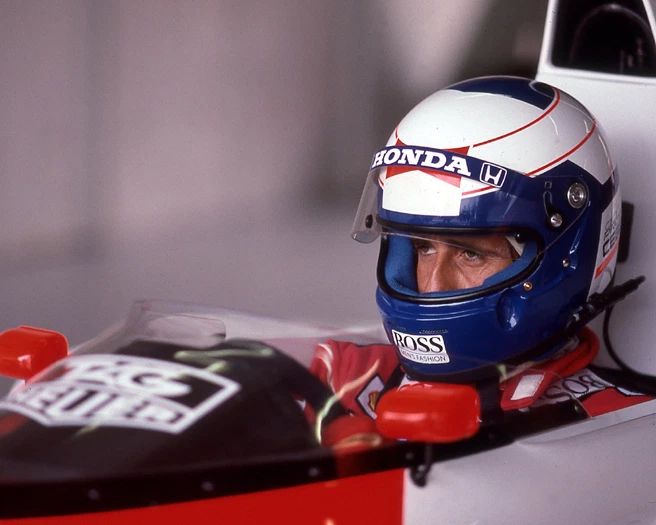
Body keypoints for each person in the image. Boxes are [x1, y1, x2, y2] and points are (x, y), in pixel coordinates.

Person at [310, 76, 650, 444]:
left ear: (567, 254)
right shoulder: (342, 376)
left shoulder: (625, 433)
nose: (433, 285)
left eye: (470, 254)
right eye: (422, 248)